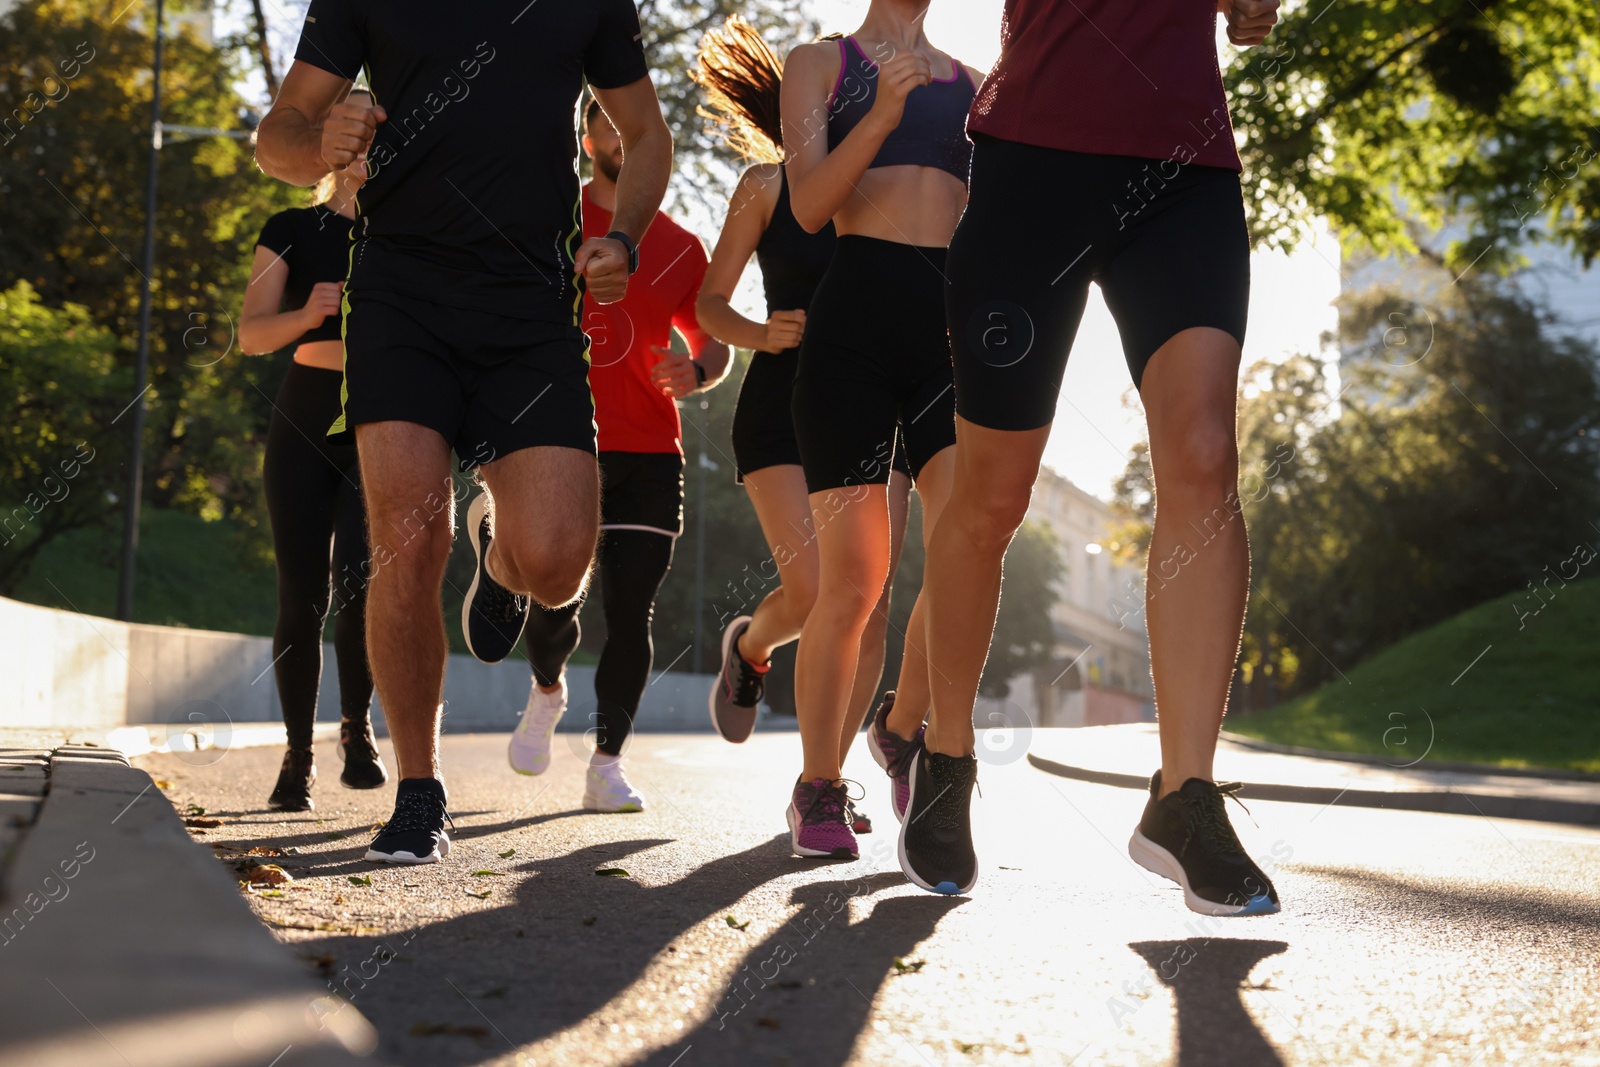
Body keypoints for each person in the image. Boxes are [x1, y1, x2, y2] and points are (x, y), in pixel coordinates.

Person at [255, 1, 671, 865]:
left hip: (529, 301)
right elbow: (278, 138)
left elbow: (647, 132)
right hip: (400, 292)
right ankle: (417, 790)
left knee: (556, 567)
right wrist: (319, 145)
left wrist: (622, 236)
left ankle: (498, 549)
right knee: (406, 536)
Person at [912, 0, 1284, 906]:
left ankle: (1184, 795)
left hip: (1184, 160)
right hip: (1034, 158)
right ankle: (947, 753)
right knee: (993, 495)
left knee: (1204, 452)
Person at [741, 0, 978, 861]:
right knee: (857, 582)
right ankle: (818, 787)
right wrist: (881, 112)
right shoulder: (821, 64)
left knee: (967, 544)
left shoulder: (973, 86)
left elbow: (990, 225)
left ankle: (906, 724)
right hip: (851, 337)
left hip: (944, 336)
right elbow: (806, 204)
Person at [692, 16, 914, 836]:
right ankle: (750, 643)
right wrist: (760, 332)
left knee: (874, 599)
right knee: (822, 588)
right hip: (781, 407)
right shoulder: (765, 188)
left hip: (870, 403)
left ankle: (823, 780)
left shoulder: (892, 183)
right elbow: (710, 302)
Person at [504, 99, 731, 813]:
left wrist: (698, 373)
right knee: (552, 595)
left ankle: (607, 762)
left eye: (631, 125)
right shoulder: (551, 217)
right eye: (605, 122)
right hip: (564, 438)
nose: (621, 136)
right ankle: (547, 688)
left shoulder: (681, 246)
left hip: (651, 452)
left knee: (631, 612)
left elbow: (714, 342)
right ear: (586, 135)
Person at [240, 104, 386, 812]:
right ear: (328, 146)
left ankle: (357, 729)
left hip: (379, 419)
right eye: (353, 138)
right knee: (302, 595)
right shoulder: (291, 229)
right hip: (303, 414)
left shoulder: (408, 237)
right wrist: (305, 312)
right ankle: (296, 756)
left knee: (362, 584)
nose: (363, 151)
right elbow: (249, 333)